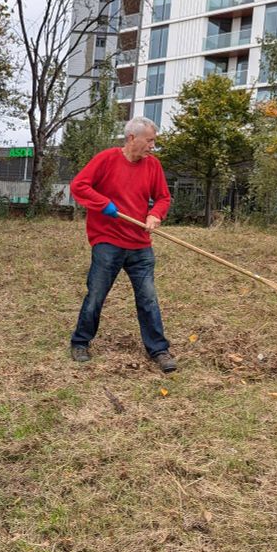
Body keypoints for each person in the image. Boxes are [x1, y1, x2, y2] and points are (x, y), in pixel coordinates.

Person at [68, 116, 176, 372]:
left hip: (140, 245)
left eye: (153, 142)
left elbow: (163, 197)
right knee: (96, 294)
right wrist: (102, 203)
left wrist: (154, 214)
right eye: (149, 141)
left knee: (148, 298)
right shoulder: (106, 159)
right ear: (132, 138)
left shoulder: (153, 166)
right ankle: (80, 342)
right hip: (108, 242)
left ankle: (159, 350)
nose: (152, 146)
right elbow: (79, 186)